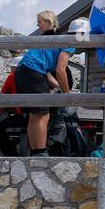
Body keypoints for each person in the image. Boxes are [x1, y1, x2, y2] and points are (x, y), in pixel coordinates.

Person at [14, 11, 75, 156]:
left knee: (33, 115)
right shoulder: (69, 42)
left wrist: (58, 86)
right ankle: (41, 152)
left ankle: (36, 151)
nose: (37, 24)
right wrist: (68, 96)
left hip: (22, 70)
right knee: (43, 116)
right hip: (34, 71)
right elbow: (61, 70)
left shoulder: (44, 40)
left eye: (39, 21)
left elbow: (47, 69)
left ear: (48, 22)